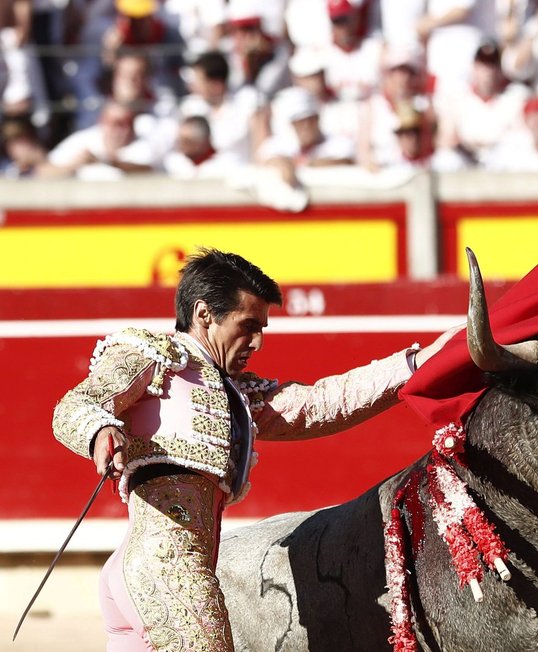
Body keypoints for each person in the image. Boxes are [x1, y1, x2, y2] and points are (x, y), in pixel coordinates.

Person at [52, 248, 459, 651]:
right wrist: (100, 429)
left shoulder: (238, 395)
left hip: (156, 572)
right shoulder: (158, 356)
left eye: (262, 327)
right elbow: (77, 404)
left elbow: (321, 403)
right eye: (248, 325)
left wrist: (418, 362)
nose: (258, 341)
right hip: (169, 571)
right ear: (203, 314)